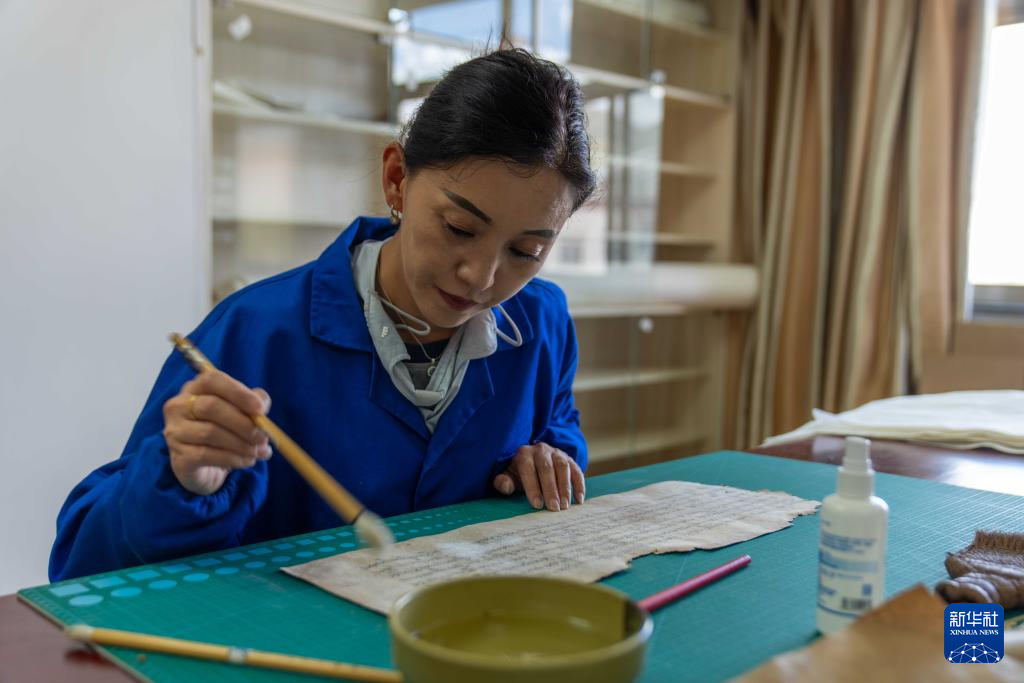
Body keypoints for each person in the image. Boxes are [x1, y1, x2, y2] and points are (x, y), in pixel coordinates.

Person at [50, 47, 597, 581]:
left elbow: (558, 429)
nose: (480, 276)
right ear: (396, 179)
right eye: (459, 228)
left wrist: (547, 460)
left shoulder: (542, 323)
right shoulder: (252, 335)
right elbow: (80, 565)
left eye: (526, 251)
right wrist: (179, 481)